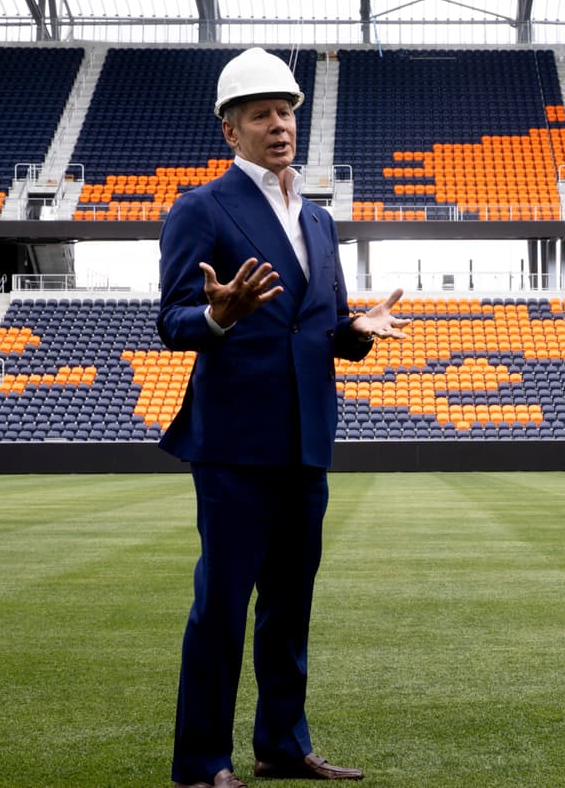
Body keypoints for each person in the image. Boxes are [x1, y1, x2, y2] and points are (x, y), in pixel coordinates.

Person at [157, 47, 409, 788]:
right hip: (234, 441)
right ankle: (203, 766)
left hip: (307, 440)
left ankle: (281, 746)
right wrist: (217, 313)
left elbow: (319, 332)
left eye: (287, 112)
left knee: (289, 608)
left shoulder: (322, 221)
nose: (279, 124)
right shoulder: (200, 208)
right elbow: (172, 321)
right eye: (262, 114)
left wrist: (355, 332)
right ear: (229, 131)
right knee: (223, 608)